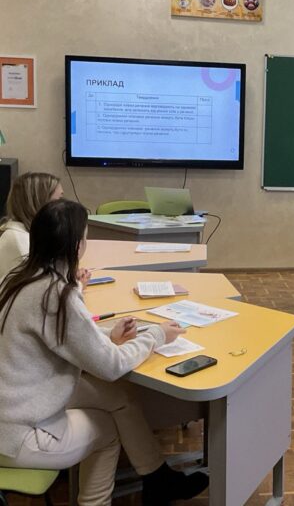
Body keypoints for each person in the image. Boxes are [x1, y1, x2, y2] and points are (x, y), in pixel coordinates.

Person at [0, 199, 209, 505]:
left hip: (17, 404)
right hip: (18, 435)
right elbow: (112, 366)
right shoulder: (57, 295)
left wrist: (109, 334)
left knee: (118, 396)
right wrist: (156, 335)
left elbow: (63, 335)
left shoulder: (21, 278)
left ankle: (157, 478)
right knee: (108, 431)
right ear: (77, 246)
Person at [0, 172, 63, 281]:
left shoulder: (31, 232)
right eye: (58, 201)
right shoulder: (20, 240)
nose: (63, 207)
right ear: (39, 202)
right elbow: (42, 285)